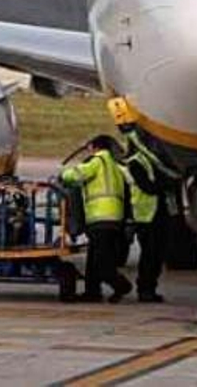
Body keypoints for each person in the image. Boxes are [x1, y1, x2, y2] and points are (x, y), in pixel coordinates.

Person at [109, 98, 170, 303]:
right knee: (150, 256)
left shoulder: (147, 160)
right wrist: (167, 183)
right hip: (146, 217)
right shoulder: (135, 163)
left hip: (156, 215)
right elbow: (149, 187)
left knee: (156, 256)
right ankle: (145, 289)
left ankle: (149, 288)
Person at [60, 135, 133, 303]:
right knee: (93, 259)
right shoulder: (114, 165)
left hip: (101, 217)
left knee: (101, 261)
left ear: (95, 147)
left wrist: (63, 175)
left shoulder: (98, 161)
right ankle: (92, 292)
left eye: (89, 148)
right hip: (114, 218)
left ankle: (121, 285)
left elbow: (77, 174)